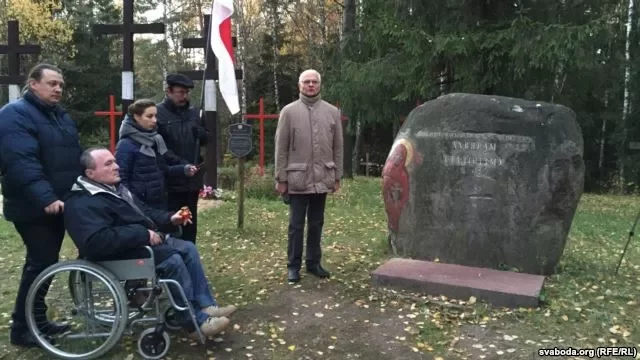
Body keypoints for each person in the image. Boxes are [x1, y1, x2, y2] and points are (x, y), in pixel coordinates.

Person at [64, 147, 237, 338]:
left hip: (136, 244)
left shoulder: (116, 190)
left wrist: (171, 218)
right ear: (90, 173)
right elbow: (96, 242)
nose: (117, 166)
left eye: (114, 161)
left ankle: (206, 306)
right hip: (116, 254)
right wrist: (142, 234)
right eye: (109, 164)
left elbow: (145, 212)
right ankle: (194, 323)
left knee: (188, 248)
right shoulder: (81, 202)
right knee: (172, 260)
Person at [0, 63, 83, 347]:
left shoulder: (59, 116)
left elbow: (72, 156)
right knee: (40, 263)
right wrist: (46, 197)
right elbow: (21, 162)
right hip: (33, 206)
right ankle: (23, 328)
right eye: (52, 83)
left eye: (61, 84)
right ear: (33, 84)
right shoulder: (15, 115)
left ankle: (35, 321)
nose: (58, 88)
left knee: (44, 263)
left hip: (59, 202)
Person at [274, 69, 344, 283]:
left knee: (317, 222)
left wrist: (337, 175)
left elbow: (338, 146)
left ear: (320, 85)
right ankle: (293, 266)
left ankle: (313, 263)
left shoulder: (332, 112)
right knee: (296, 225)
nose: (311, 85)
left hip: (322, 176)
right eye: (307, 82)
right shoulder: (289, 111)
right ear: (300, 85)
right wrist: (280, 178)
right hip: (297, 178)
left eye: (314, 82)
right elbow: (281, 147)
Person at [116, 99, 198, 211]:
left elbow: (161, 169)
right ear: (136, 116)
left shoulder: (155, 140)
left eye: (155, 116)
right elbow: (121, 180)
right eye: (149, 116)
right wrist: (133, 205)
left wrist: (184, 169)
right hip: (140, 206)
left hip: (159, 202)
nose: (154, 120)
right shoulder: (126, 144)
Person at [156, 74, 208, 243]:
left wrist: (203, 134)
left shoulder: (194, 113)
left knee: (190, 221)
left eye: (186, 93)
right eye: (180, 92)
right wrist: (181, 165)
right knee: (172, 222)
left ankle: (190, 253)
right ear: (169, 91)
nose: (184, 96)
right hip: (170, 179)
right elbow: (160, 148)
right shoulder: (158, 114)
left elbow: (206, 139)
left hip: (191, 180)